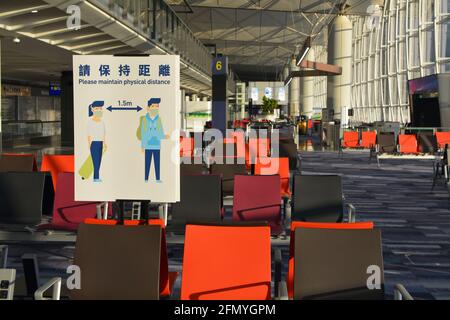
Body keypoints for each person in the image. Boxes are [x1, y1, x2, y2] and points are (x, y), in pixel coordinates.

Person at [140, 98, 169, 183]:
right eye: (153, 106)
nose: (155, 108)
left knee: (157, 163)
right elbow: (143, 133)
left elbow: (160, 132)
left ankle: (157, 178)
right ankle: (146, 178)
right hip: (148, 145)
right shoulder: (145, 120)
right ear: (148, 108)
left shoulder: (158, 119)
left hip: (157, 145)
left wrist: (164, 136)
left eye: (157, 107)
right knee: (147, 163)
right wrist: (142, 145)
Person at [87, 100, 107, 182]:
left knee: (99, 161)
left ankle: (96, 177)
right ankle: (96, 178)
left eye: (100, 108)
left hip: (100, 143)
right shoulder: (90, 122)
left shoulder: (102, 122)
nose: (99, 110)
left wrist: (105, 143)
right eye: (97, 108)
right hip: (94, 143)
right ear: (93, 110)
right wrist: (89, 145)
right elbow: (89, 135)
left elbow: (103, 134)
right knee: (95, 162)